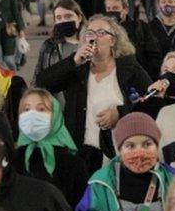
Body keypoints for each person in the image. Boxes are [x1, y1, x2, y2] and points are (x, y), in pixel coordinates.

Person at [35, 15, 152, 172]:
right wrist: (73, 61)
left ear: (113, 41)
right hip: (80, 151)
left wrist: (120, 113)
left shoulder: (128, 66)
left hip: (117, 150)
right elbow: (43, 83)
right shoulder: (77, 68)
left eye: (101, 33)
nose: (94, 37)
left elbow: (151, 100)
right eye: (90, 33)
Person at [14, 88, 90, 210]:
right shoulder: (12, 160)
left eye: (41, 109)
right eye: (26, 109)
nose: (32, 115)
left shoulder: (73, 164)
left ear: (56, 116)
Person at [105, 0, 162, 78]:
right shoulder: (102, 31)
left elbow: (154, 56)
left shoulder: (140, 28)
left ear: (125, 10)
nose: (112, 12)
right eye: (108, 9)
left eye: (115, 8)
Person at [33, 0, 86, 86]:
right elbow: (38, 77)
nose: (63, 21)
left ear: (79, 18)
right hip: (54, 98)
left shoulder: (90, 44)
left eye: (68, 16)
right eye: (59, 18)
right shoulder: (49, 46)